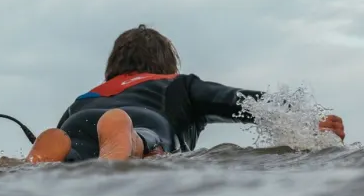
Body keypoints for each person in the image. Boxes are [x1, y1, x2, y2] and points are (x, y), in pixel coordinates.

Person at [25, 25, 345, 163]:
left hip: (79, 121)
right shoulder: (177, 84)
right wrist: (309, 119)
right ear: (166, 65)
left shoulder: (84, 98)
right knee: (143, 141)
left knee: (75, 152)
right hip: (140, 122)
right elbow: (243, 101)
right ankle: (132, 139)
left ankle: (55, 149)